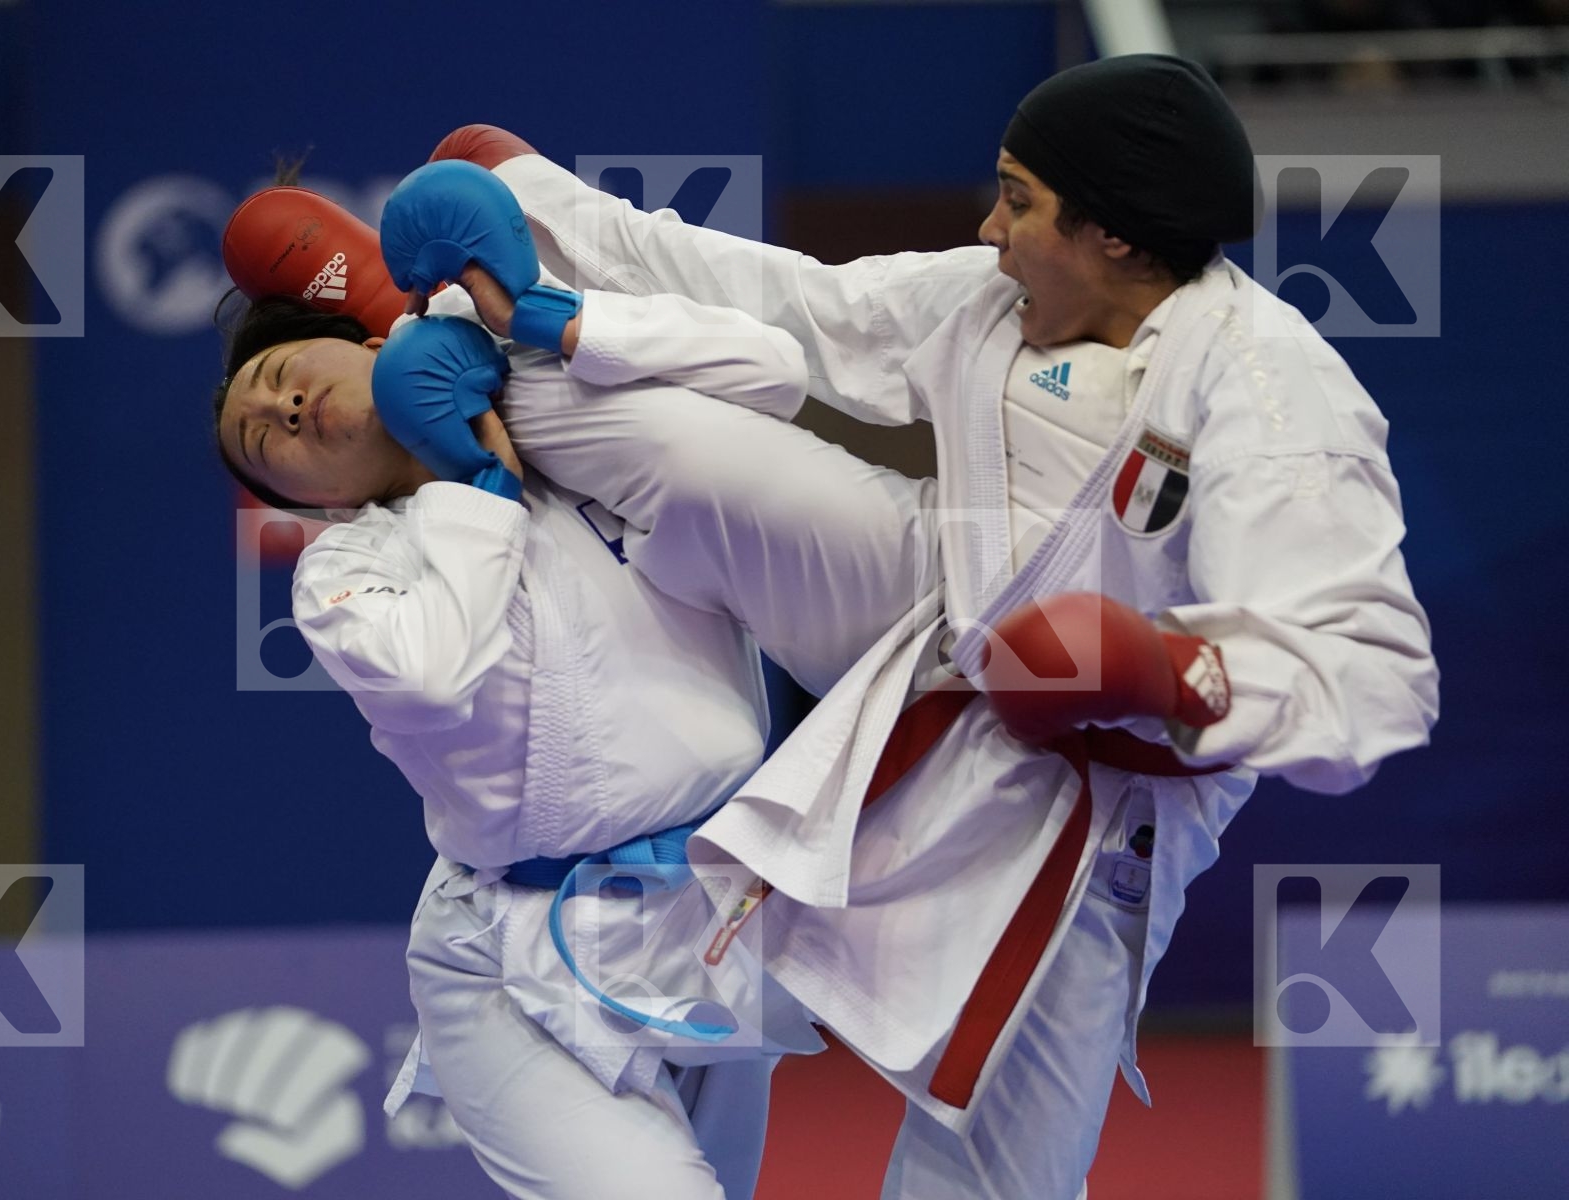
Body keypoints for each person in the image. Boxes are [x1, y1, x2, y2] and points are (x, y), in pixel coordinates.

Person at [422, 52, 1440, 1200]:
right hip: (926, 630)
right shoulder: (982, 302)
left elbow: (1374, 677)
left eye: (1018, 198)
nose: (988, 225)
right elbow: (775, 295)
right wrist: (536, 195)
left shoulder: (1267, 391)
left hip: (1095, 813)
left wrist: (1165, 670)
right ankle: (409, 366)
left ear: (1114, 235)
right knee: (678, 448)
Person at [212, 166, 942, 1198]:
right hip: (513, 966)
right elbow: (427, 677)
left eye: (283, 374)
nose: (284, 409)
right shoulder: (350, 571)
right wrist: (479, 486)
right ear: (301, 504)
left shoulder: (559, 400)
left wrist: (556, 324)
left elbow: (773, 368)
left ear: (371, 339)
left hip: (708, 929)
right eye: (264, 440)